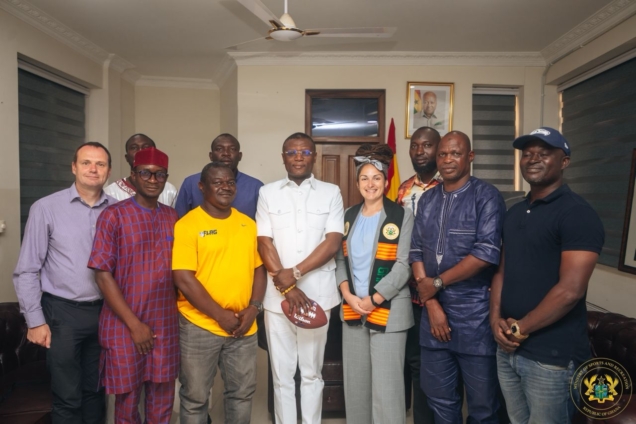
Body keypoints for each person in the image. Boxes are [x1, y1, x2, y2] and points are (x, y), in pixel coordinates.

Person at [490, 127, 604, 424]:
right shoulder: (513, 213)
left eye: (543, 153)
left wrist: (520, 329)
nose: (533, 159)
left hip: (552, 358)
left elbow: (570, 291)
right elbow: (501, 271)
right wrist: (495, 321)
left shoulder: (577, 214)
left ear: (564, 161)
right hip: (508, 350)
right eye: (527, 154)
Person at [13, 142, 114, 423]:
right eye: (86, 162)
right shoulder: (46, 208)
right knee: (67, 397)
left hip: (107, 313)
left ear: (108, 171)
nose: (93, 169)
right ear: (73, 167)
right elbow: (27, 269)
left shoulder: (118, 210)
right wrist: (35, 321)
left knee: (97, 392)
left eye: (100, 164)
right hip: (62, 314)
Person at [410, 131, 505, 424]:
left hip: (475, 315)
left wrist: (437, 283)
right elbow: (415, 252)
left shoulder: (486, 196)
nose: (447, 159)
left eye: (455, 153)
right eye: (442, 154)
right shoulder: (427, 199)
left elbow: (486, 253)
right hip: (433, 316)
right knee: (440, 401)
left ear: (470, 157)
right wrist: (431, 303)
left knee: (483, 407)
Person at [256, 132, 344, 424]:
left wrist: (294, 274)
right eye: (291, 152)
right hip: (276, 299)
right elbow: (264, 242)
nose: (298, 157)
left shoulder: (331, 192)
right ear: (283, 157)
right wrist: (287, 288)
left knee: (311, 373)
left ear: (314, 157)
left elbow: (332, 242)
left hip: (318, 296)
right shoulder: (267, 193)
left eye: (305, 152)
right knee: (281, 376)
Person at [88, 147, 180, 424]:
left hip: (164, 324)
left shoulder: (173, 218)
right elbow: (102, 274)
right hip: (123, 325)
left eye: (159, 174)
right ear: (133, 175)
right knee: (127, 405)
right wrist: (135, 325)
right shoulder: (113, 215)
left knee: (162, 402)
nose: (153, 179)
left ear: (166, 178)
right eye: (145, 173)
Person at [172, 162, 266, 424]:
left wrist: (254, 308)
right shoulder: (187, 225)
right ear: (202, 187)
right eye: (217, 182)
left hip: (244, 327)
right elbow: (183, 278)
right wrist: (220, 315)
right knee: (195, 398)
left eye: (230, 182)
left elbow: (259, 269)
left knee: (241, 395)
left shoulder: (248, 224)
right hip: (199, 326)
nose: (226, 187)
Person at [335, 144, 414, 424]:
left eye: (377, 178)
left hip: (388, 312)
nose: (371, 184)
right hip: (353, 309)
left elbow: (404, 265)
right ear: (357, 183)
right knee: (356, 388)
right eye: (365, 178)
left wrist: (375, 299)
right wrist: (348, 295)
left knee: (387, 390)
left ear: (386, 182)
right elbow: (340, 260)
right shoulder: (348, 216)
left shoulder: (402, 215)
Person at [396, 127, 442, 424]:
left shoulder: (449, 186)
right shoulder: (403, 189)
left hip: (441, 288)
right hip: (408, 291)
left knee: (434, 363)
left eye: (427, 145)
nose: (420, 151)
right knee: (412, 359)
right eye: (415, 146)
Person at [175, 133, 263, 219]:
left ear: (240, 156)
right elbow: (180, 220)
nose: (226, 153)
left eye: (232, 149)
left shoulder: (256, 187)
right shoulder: (191, 183)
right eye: (219, 149)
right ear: (211, 156)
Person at [104, 133, 178, 206]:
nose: (140, 151)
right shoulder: (110, 193)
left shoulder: (170, 191)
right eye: (134, 148)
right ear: (126, 158)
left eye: (146, 147)